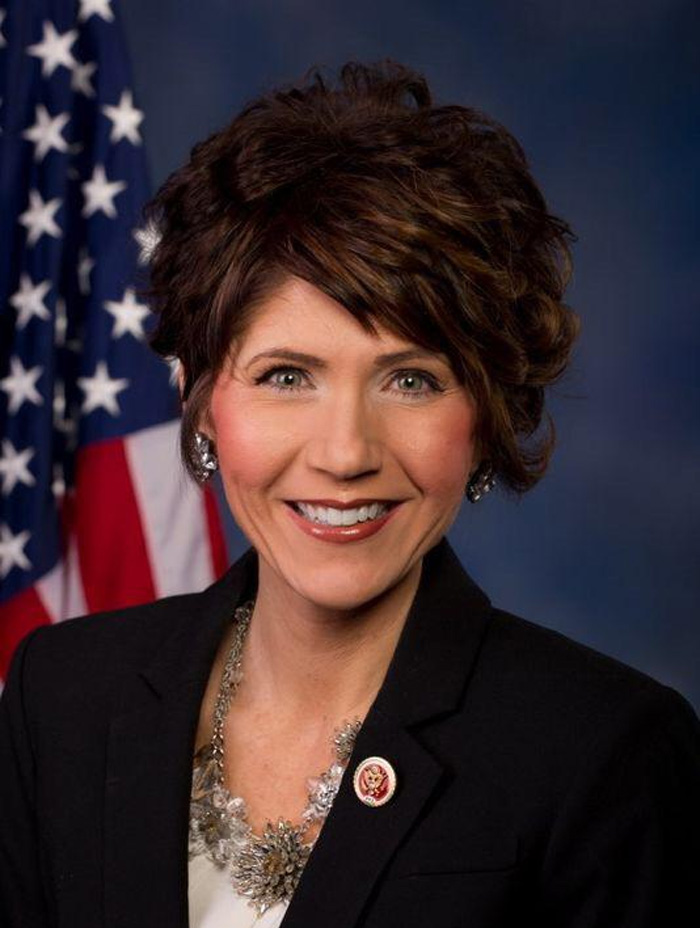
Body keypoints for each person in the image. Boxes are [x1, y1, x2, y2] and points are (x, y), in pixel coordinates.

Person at [1, 60, 699, 928]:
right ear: (199, 398)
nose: (344, 454)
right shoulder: (61, 694)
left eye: (410, 381)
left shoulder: (605, 753)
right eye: (287, 375)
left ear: (485, 415)